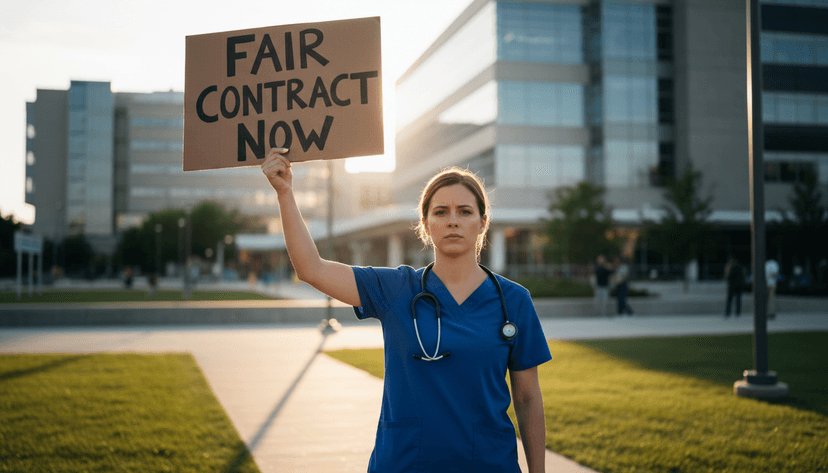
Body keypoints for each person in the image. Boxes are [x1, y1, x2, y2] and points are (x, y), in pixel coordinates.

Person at [261, 148, 552, 473]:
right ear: (425, 225)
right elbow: (311, 269)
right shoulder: (395, 289)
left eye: (465, 211)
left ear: (482, 223)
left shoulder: (513, 301)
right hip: (405, 462)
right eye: (440, 212)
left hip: (485, 462)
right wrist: (285, 193)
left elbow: (527, 398)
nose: (453, 220)